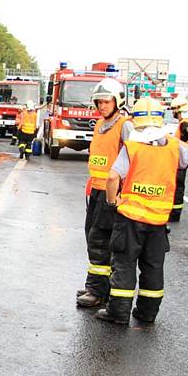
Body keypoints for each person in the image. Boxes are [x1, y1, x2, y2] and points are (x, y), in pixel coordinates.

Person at [95, 98, 188, 325]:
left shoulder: (133, 147)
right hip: (159, 222)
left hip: (131, 219)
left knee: (124, 264)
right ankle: (147, 313)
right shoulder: (172, 147)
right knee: (153, 267)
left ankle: (118, 313)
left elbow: (113, 177)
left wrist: (113, 202)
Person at [76, 78, 133, 308]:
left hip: (112, 190)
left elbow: (133, 158)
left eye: (106, 102)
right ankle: (99, 284)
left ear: (117, 101)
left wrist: (120, 193)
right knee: (92, 234)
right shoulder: (100, 124)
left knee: (100, 240)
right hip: (97, 191)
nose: (101, 106)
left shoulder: (124, 126)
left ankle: (98, 290)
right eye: (98, 102)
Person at [168, 96, 188, 222]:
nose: (173, 113)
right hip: (183, 159)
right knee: (178, 185)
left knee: (177, 186)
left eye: (173, 110)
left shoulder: (184, 123)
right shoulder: (187, 122)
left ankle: (175, 213)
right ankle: (175, 212)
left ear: (177, 110)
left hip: (181, 160)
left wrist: (185, 143)